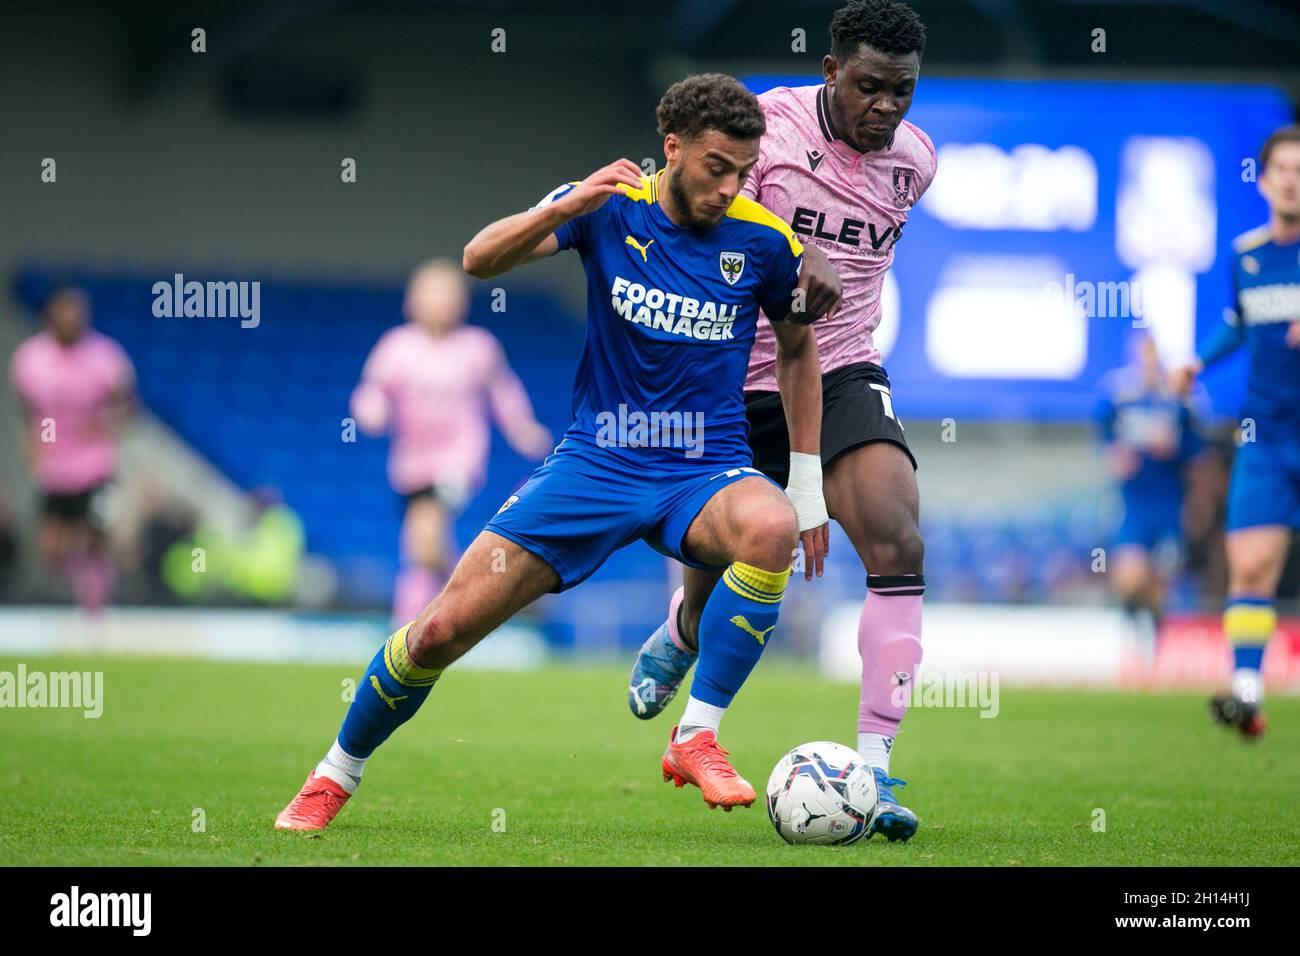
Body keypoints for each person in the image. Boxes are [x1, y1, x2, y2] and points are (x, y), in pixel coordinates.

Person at [274, 73, 837, 831]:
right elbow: (479, 260)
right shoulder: (608, 206)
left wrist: (805, 488)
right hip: (596, 464)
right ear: (671, 149)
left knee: (768, 527)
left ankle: (697, 735)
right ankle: (333, 774)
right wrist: (567, 204)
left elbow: (799, 351)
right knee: (440, 631)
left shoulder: (764, 239)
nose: (730, 187)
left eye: (743, 170)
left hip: (705, 467)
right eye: (715, 168)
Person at [626, 0, 935, 841]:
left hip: (837, 368)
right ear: (832, 72)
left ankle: (873, 765)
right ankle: (684, 628)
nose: (887, 107)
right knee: (722, 561)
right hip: (730, 368)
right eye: (870, 87)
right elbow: (713, 217)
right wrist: (798, 253)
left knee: (898, 537)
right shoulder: (769, 124)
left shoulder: (917, 162)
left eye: (902, 91)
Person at [1171, 124, 1300, 740]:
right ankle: (1247, 694)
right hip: (1269, 435)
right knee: (1250, 564)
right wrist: (1198, 360)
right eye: (1283, 169)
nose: (1292, 180)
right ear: (1266, 178)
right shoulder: (1247, 255)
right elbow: (1238, 323)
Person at [350, 260, 553, 626]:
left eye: (448, 293)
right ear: (412, 301)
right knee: (424, 550)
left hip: (458, 462)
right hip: (411, 465)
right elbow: (372, 391)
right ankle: (475, 599)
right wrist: (370, 412)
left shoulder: (477, 347)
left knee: (424, 534)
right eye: (432, 293)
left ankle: (404, 628)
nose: (440, 302)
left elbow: (503, 391)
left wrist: (523, 428)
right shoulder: (397, 346)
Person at [10, 286, 135, 613]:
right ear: (50, 315)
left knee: (96, 539)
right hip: (54, 465)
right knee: (51, 548)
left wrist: (105, 424)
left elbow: (128, 406)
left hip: (95, 464)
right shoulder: (30, 359)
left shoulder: (106, 357)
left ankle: (95, 609)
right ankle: (74, 590)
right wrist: (34, 447)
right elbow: (28, 413)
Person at [1094, 333, 1203, 658]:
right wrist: (1113, 454)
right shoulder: (1118, 397)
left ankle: (1155, 650)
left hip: (1169, 503)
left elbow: (1197, 450)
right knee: (1130, 576)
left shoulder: (1179, 401)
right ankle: (1132, 640)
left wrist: (1174, 449)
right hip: (1134, 504)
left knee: (1161, 582)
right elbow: (1103, 437)